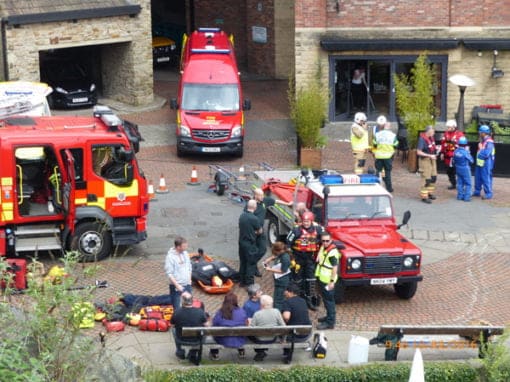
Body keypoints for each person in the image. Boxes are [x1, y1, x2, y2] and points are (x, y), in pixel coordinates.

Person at [286, 211, 323, 309]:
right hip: (298, 258)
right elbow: (288, 245)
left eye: (307, 221)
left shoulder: (318, 230)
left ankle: (309, 300)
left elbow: (324, 242)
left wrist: (319, 254)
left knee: (311, 279)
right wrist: (292, 259)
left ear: (311, 221)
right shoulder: (296, 231)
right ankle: (298, 299)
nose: (306, 223)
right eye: (304, 221)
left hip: (310, 258)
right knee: (297, 279)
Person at [252, 187, 292, 275]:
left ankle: (252, 263)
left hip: (261, 231)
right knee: (253, 250)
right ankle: (252, 267)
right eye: (260, 195)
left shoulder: (264, 201)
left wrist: (287, 203)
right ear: (255, 196)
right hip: (253, 232)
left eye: (263, 195)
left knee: (262, 249)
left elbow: (276, 201)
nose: (262, 197)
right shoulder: (252, 205)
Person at [170, 292, 208, 362]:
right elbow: (206, 325)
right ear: (192, 301)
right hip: (197, 339)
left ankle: (180, 352)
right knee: (201, 331)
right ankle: (193, 353)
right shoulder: (200, 312)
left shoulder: (177, 312)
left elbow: (172, 325)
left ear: (182, 301)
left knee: (174, 331)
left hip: (182, 338)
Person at [209, 292, 248, 360]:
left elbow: (214, 325)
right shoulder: (242, 312)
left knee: (213, 333)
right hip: (239, 340)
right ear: (236, 301)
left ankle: (215, 354)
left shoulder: (220, 313)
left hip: (223, 340)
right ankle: (241, 352)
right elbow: (245, 323)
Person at [315, 232, 340, 330]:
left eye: (327, 241)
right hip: (322, 278)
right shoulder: (323, 247)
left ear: (331, 240)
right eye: (323, 241)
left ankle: (330, 322)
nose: (325, 243)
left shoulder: (333, 253)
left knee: (329, 301)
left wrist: (332, 281)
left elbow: (335, 268)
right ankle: (328, 317)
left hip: (328, 280)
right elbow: (321, 254)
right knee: (326, 300)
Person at [281, 283, 312, 363]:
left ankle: (286, 352)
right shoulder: (303, 301)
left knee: (283, 328)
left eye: (286, 291)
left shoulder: (287, 302)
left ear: (290, 292)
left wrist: (284, 322)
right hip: (306, 334)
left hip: (294, 336)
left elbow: (286, 317)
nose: (284, 292)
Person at [249, 294, 286, 361]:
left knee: (249, 335)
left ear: (261, 304)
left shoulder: (257, 314)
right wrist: (283, 339)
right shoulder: (276, 312)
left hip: (259, 339)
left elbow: (251, 329)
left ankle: (260, 351)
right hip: (272, 338)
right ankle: (261, 352)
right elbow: (284, 327)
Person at [238, 199, 263, 287]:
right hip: (250, 244)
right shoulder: (254, 219)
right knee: (251, 263)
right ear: (255, 207)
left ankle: (242, 281)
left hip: (241, 243)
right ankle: (249, 283)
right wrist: (254, 232)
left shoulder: (242, 216)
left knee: (243, 261)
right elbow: (260, 231)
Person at [262, 241, 291, 311]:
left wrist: (270, 269)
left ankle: (277, 312)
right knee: (278, 297)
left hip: (282, 281)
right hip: (279, 280)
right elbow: (275, 256)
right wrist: (268, 260)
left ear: (280, 250)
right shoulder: (282, 253)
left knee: (278, 300)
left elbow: (283, 271)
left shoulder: (285, 258)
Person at [164, 236, 192, 309]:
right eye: (184, 246)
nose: (186, 247)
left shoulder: (185, 253)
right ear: (178, 247)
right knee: (177, 308)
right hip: (177, 287)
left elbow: (189, 266)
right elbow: (169, 273)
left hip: (187, 284)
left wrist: (189, 279)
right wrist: (177, 286)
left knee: (188, 307)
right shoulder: (170, 257)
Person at [373, 122, 398, 192]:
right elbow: (396, 144)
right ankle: (389, 188)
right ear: (389, 127)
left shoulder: (377, 134)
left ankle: (376, 186)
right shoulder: (392, 135)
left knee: (378, 171)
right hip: (388, 156)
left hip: (379, 156)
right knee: (388, 172)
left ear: (383, 126)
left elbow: (374, 144)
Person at [440, 119, 465, 190]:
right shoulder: (446, 133)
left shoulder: (459, 135)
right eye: (447, 127)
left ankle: (461, 184)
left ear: (454, 127)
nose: (448, 129)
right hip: (447, 156)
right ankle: (453, 183)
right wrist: (442, 153)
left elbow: (463, 145)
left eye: (449, 127)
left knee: (458, 170)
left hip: (455, 156)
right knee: (449, 170)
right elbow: (443, 143)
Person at [416, 125, 438, 204]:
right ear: (428, 131)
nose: (434, 132)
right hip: (425, 161)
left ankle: (430, 193)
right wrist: (429, 155)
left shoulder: (431, 138)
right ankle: (424, 197)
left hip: (432, 160)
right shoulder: (422, 139)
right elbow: (418, 152)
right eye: (433, 131)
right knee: (426, 179)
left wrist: (437, 149)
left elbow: (432, 148)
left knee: (433, 177)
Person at [473, 125, 495, 200]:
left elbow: (486, 153)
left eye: (480, 132)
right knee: (478, 177)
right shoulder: (483, 140)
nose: (479, 133)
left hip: (486, 163)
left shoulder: (489, 142)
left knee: (486, 178)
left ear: (484, 133)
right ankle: (477, 191)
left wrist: (481, 152)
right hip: (480, 162)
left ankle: (488, 193)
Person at [452, 136, 474, 202]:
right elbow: (471, 161)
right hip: (465, 169)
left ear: (458, 144)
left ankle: (460, 196)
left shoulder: (456, 151)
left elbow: (453, 160)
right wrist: (468, 152)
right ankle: (467, 197)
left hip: (458, 168)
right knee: (468, 183)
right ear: (465, 144)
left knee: (460, 183)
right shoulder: (465, 152)